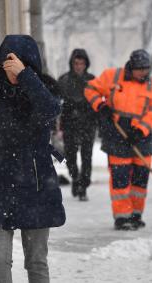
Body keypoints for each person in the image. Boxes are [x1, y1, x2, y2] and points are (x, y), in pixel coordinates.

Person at [0, 35, 66, 283]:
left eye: (17, 61)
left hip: (36, 186)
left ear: (29, 64)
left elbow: (51, 110)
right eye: (7, 61)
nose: (10, 65)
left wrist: (25, 77)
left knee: (36, 261)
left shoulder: (41, 92)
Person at [84, 49, 152, 230]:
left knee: (140, 179)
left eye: (146, 69)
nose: (144, 72)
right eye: (140, 69)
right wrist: (101, 105)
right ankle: (122, 217)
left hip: (141, 135)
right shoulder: (112, 76)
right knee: (120, 177)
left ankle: (136, 214)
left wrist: (141, 130)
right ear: (131, 67)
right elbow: (90, 89)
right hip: (116, 132)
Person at [57, 49, 96, 201]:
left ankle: (83, 186)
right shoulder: (64, 80)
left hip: (88, 123)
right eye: (76, 63)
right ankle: (75, 178)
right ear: (72, 64)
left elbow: (98, 102)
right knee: (70, 157)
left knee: (87, 156)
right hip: (69, 124)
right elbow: (57, 103)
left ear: (86, 64)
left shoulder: (93, 80)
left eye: (82, 63)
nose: (79, 66)